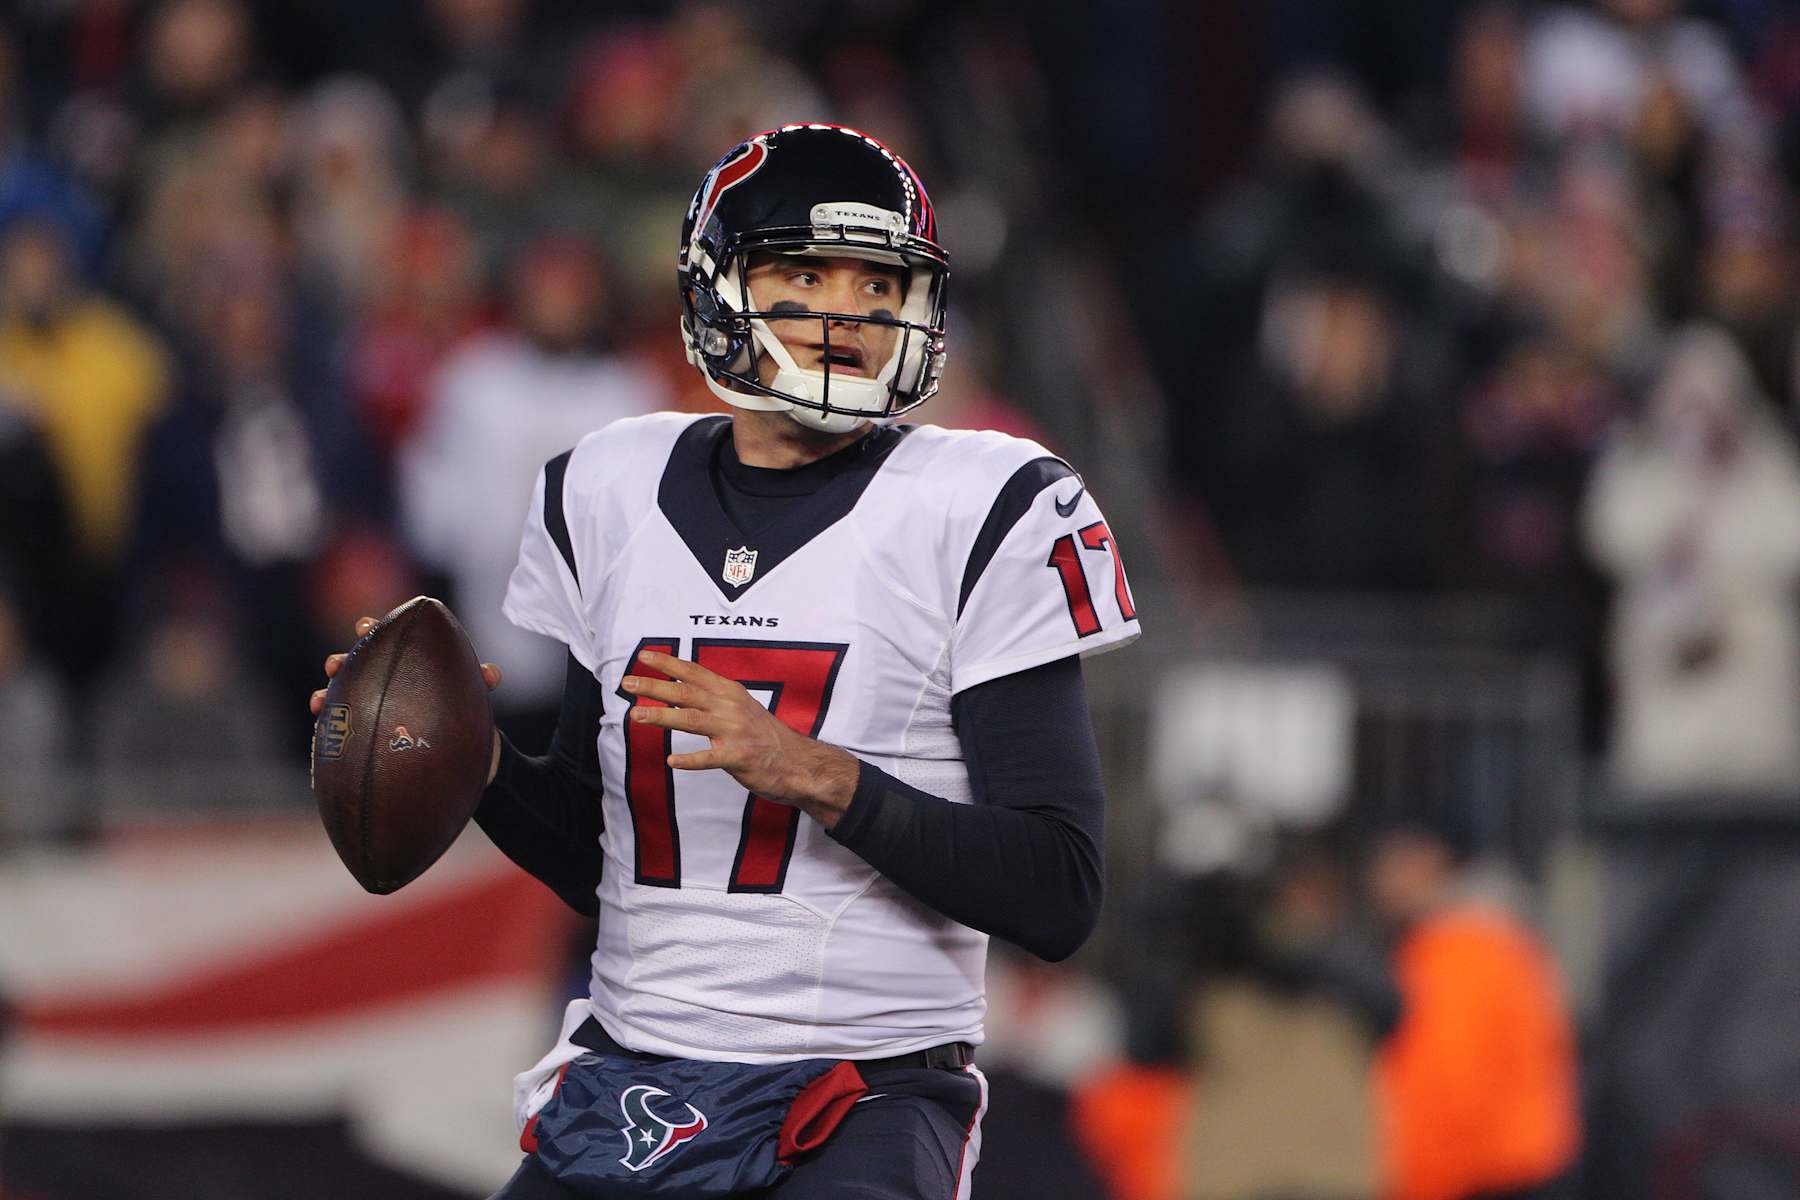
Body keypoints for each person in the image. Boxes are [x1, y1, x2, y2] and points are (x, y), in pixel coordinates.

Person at [311, 124, 1140, 1198]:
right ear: (718, 289)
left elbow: (1059, 894)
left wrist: (817, 774)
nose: (850, 315)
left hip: (861, 1092)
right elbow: (606, 868)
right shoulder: (605, 488)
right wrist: (466, 764)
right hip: (634, 1077)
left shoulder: (986, 503)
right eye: (804, 274)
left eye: (880, 285)